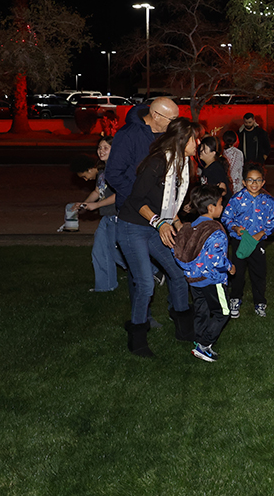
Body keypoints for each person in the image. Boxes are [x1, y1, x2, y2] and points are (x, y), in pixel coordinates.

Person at [117, 117, 202, 357]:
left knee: (177, 274)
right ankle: (137, 339)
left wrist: (178, 224)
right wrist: (159, 223)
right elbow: (135, 200)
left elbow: (170, 204)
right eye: (194, 138)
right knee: (145, 283)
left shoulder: (182, 164)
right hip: (132, 226)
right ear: (182, 139)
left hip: (155, 226)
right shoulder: (156, 163)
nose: (197, 143)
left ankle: (184, 330)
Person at [172, 184, 234, 362]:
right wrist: (230, 267)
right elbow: (216, 260)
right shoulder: (215, 230)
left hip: (194, 279)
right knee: (223, 312)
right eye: (221, 204)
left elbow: (178, 252)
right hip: (212, 280)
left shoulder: (189, 227)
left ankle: (199, 339)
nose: (222, 207)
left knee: (202, 309)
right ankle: (204, 345)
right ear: (211, 208)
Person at [222, 163, 274, 319]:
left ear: (262, 182)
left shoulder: (267, 200)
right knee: (237, 272)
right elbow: (226, 217)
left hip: (257, 242)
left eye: (257, 180)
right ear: (243, 182)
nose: (254, 184)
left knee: (259, 273)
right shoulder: (236, 199)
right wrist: (234, 228)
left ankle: (259, 302)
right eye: (250, 180)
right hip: (239, 241)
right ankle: (235, 299)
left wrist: (261, 233)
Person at [70, 135, 126, 292]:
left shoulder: (118, 169)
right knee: (99, 251)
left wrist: (97, 205)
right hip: (107, 217)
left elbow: (120, 194)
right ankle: (105, 287)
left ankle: (153, 270)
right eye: (99, 148)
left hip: (118, 216)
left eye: (105, 147)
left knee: (119, 252)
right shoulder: (103, 171)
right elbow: (97, 191)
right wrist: (84, 204)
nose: (101, 151)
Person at [107, 97, 180, 214]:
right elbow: (114, 174)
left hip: (161, 209)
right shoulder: (128, 135)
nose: (174, 124)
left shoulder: (167, 136)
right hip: (133, 212)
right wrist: (138, 197)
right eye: (172, 119)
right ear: (156, 115)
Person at [197, 135, 231, 204]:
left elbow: (222, 192)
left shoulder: (215, 169)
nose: (201, 150)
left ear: (213, 153)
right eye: (201, 147)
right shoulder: (207, 167)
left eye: (204, 149)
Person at [222, 129, 244, 195]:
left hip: (225, 182)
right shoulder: (238, 153)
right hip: (236, 185)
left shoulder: (222, 151)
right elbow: (236, 169)